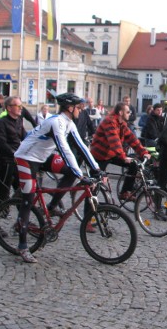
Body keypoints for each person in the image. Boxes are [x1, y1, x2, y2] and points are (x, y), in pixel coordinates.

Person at [14, 93, 102, 263]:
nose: (81, 110)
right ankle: (23, 245)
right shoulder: (56, 122)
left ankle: (52, 205)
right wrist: (81, 175)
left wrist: (97, 169)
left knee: (69, 172)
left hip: (43, 156)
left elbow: (81, 145)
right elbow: (64, 149)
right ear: (70, 108)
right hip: (26, 158)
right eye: (79, 107)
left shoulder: (69, 123)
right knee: (28, 199)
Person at [90, 102, 150, 201]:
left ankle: (125, 192)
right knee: (95, 185)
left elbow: (132, 138)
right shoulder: (110, 121)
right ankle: (88, 211)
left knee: (134, 165)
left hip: (111, 154)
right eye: (128, 112)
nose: (130, 113)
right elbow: (114, 141)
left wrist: (143, 152)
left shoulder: (122, 124)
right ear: (121, 112)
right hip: (100, 155)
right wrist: (123, 157)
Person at [0, 96, 27, 236]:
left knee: (21, 192)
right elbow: (1, 142)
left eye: (20, 105)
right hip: (5, 161)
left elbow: (25, 137)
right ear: (9, 108)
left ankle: (22, 222)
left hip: (18, 161)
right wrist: (14, 153)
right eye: (17, 105)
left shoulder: (19, 121)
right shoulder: (1, 123)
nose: (20, 108)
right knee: (2, 193)